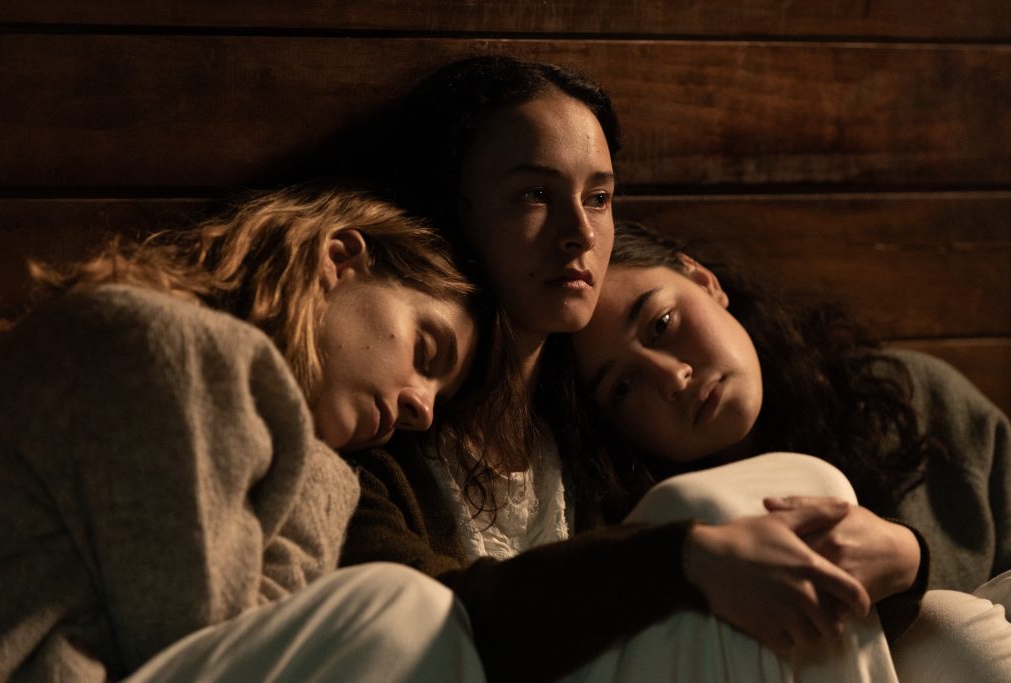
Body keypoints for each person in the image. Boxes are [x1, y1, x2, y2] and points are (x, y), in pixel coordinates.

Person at [340, 54, 924, 682]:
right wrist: (680, 561)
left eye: (598, 198)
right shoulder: (377, 423)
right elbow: (416, 632)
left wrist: (910, 557)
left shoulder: (595, 422)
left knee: (942, 614)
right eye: (535, 195)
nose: (579, 233)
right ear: (453, 215)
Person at [0, 187, 488, 681]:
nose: (422, 411)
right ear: (338, 260)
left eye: (438, 400)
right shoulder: (166, 346)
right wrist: (324, 477)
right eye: (425, 353)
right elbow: (212, 637)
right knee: (409, 613)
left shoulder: (225, 398)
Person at [571, 219, 1011, 679]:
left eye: (661, 324)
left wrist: (912, 560)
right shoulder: (650, 535)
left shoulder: (920, 399)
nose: (672, 377)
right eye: (623, 387)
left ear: (704, 280)